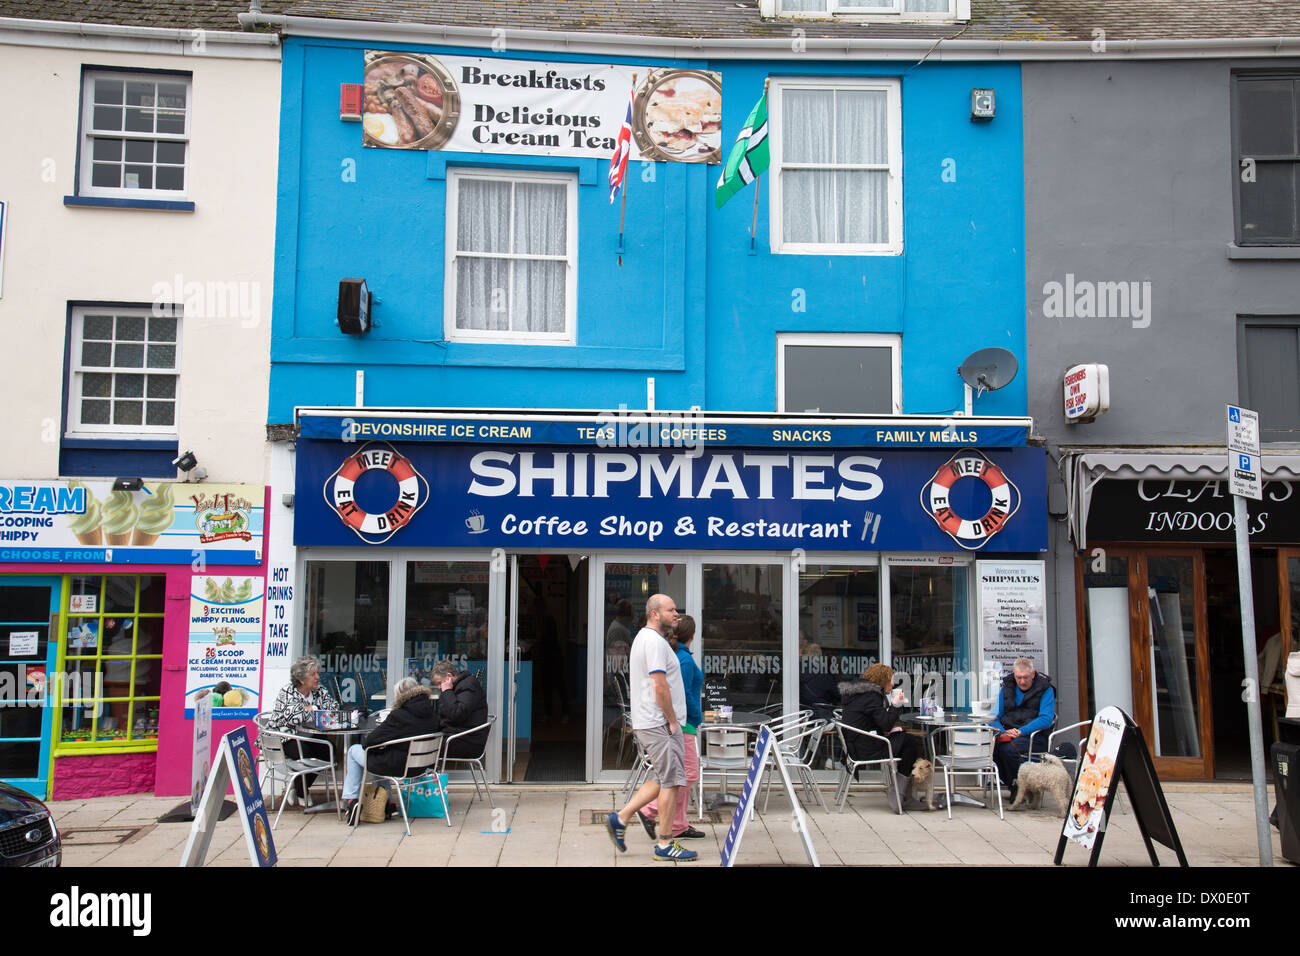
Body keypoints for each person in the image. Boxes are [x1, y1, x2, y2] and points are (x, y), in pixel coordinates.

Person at [605, 594, 697, 862]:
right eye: (670, 610)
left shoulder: (648, 640)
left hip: (653, 722)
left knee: (661, 777)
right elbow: (660, 686)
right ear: (655, 614)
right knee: (671, 782)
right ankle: (665, 843)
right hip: (659, 723)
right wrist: (671, 720)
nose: (676, 614)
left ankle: (620, 818)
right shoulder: (654, 642)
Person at [640, 614, 705, 841]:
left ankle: (678, 824)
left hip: (684, 723)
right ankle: (649, 811)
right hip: (684, 724)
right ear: (693, 635)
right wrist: (696, 715)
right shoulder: (685, 660)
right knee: (686, 775)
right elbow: (683, 693)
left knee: (683, 775)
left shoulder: (679, 655)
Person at [342, 676, 442, 823]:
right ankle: (388, 804)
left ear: (401, 696)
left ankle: (351, 800)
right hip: (422, 767)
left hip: (399, 767)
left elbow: (370, 741)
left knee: (354, 751)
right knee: (377, 756)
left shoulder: (398, 716)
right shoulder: (432, 714)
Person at [839, 663, 925, 812]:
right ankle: (899, 794)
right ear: (881, 680)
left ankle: (902, 794)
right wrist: (895, 705)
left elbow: (869, 719)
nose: (892, 684)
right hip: (866, 748)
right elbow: (885, 724)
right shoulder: (871, 696)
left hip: (855, 745)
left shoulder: (858, 693)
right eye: (890, 680)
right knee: (910, 742)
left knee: (905, 741)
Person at [269, 655, 340, 800]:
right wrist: (317, 710)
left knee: (329, 750)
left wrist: (310, 708)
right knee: (306, 754)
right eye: (313, 674)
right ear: (301, 679)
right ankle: (302, 793)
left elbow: (334, 709)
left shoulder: (319, 690)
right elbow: (294, 717)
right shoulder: (287, 692)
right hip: (284, 737)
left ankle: (297, 787)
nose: (317, 677)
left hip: (309, 735)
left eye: (317, 673)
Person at [989, 657, 1056, 798]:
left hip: (1034, 736)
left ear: (1033, 674)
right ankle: (1015, 786)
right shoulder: (1006, 687)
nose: (1022, 681)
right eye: (1018, 677)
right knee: (991, 751)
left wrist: (1021, 731)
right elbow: (994, 717)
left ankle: (1022, 788)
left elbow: (1046, 719)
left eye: (1026, 677)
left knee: (1009, 750)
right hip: (1008, 733)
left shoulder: (1046, 689)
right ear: (1014, 675)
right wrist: (1002, 731)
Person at [431, 659, 489, 758]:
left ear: (449, 676)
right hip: (458, 736)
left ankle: (429, 773)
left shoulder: (469, 686)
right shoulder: (457, 688)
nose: (439, 687)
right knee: (422, 744)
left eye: (440, 683)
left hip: (468, 741)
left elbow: (457, 714)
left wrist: (447, 691)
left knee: (426, 748)